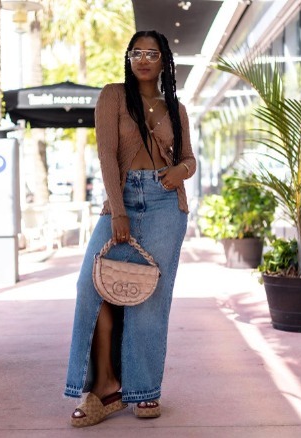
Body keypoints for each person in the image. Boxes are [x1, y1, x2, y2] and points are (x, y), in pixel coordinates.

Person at [64, 30, 196, 427]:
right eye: (136, 52)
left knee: (149, 296)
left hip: (164, 204)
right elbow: (105, 153)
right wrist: (117, 211)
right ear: (129, 58)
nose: (142, 59)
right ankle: (104, 384)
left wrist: (179, 171)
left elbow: (189, 159)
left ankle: (144, 391)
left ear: (163, 61)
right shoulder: (112, 96)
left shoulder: (176, 108)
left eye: (151, 53)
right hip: (120, 200)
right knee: (92, 287)